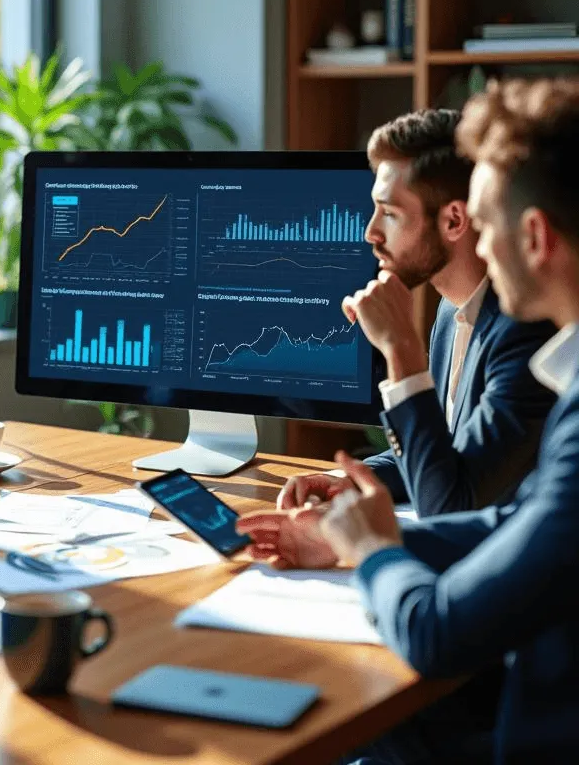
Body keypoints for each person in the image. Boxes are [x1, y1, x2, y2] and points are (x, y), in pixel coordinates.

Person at [239, 77, 579, 762]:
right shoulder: (482, 330)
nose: (479, 250)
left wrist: (373, 551)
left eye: (487, 226)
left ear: (535, 236)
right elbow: (520, 520)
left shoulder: (529, 346)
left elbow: (434, 629)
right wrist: (347, 536)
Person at [278, 109, 555, 517]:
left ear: (454, 220)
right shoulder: (451, 310)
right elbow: (441, 452)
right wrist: (349, 482)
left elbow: (450, 503)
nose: (370, 232)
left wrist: (400, 346)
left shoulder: (526, 333)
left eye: (389, 213)